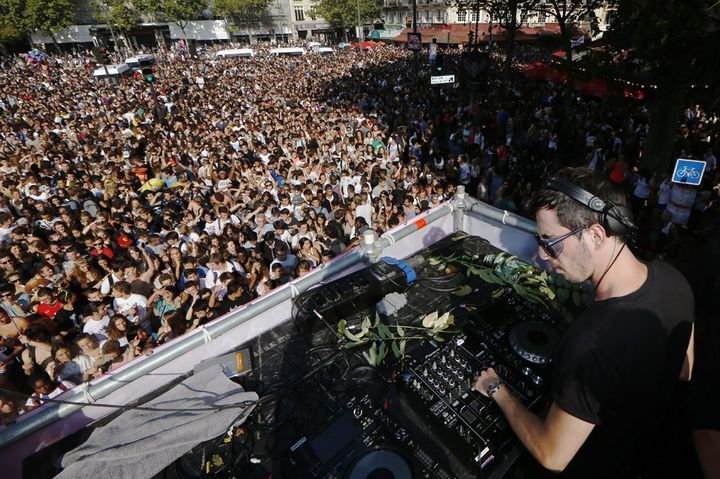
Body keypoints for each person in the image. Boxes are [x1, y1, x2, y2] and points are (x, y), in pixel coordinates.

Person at [473, 167, 695, 478]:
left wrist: (498, 390)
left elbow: (553, 455)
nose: (541, 254)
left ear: (595, 234)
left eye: (551, 242)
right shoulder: (675, 279)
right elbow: (685, 370)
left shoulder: (591, 343)